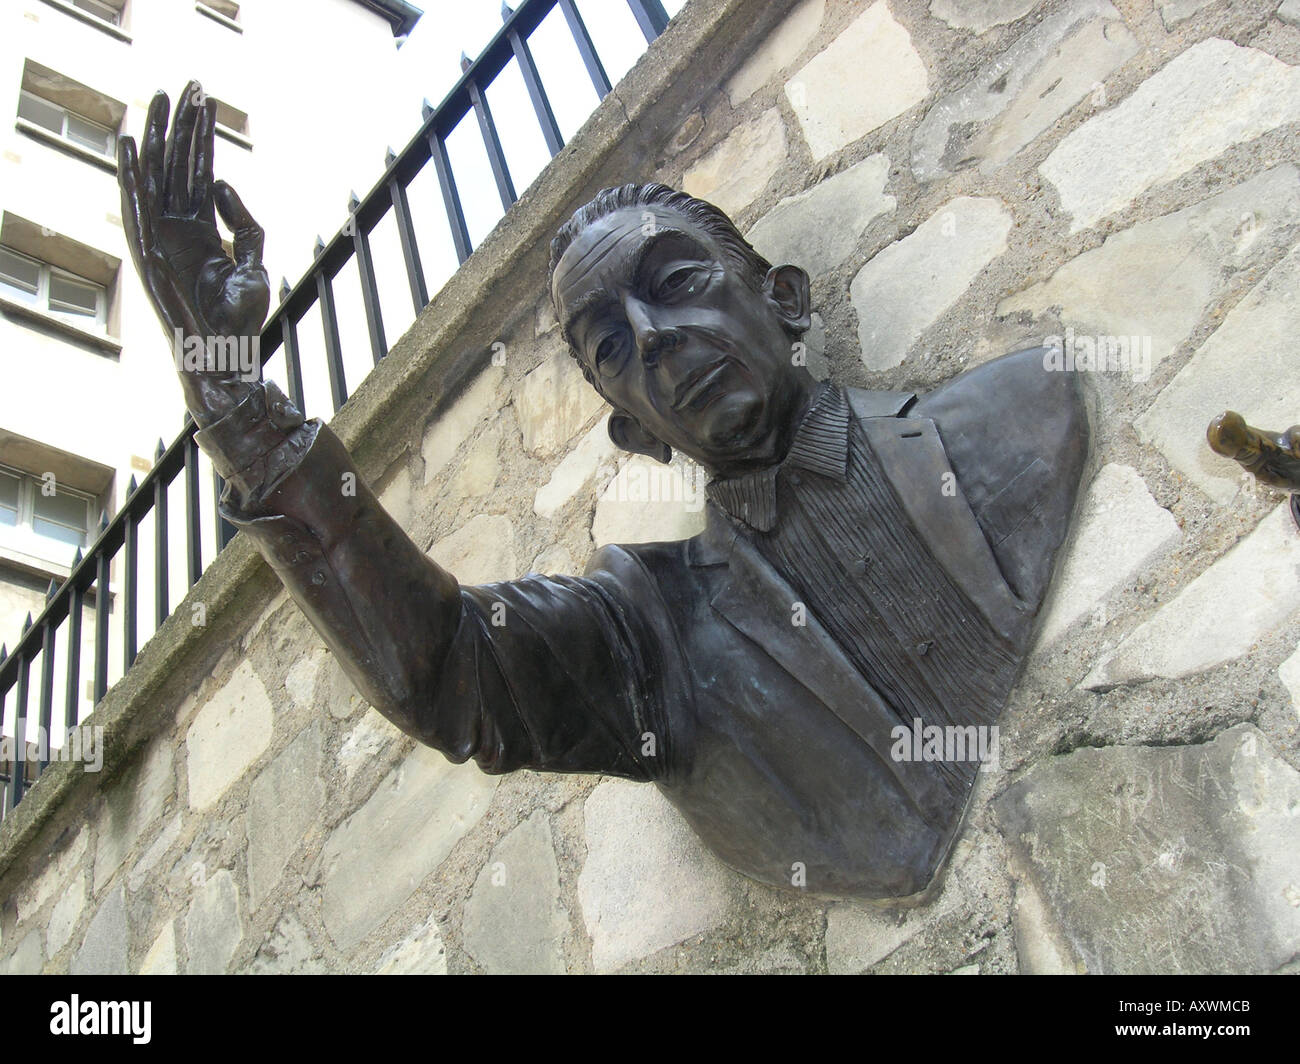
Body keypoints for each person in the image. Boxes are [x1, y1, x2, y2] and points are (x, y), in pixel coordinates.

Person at [118, 84, 1089, 899]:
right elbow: (452, 670)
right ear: (631, 426)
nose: (655, 339)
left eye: (672, 282)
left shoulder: (1017, 413)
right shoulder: (648, 626)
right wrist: (235, 402)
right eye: (614, 347)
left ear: (783, 296)